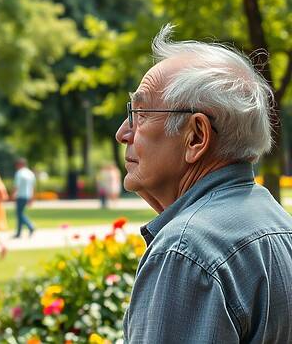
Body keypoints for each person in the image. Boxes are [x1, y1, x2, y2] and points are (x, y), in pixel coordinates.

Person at [118, 25, 292, 342]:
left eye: (140, 113)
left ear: (196, 136)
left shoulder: (185, 251)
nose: (123, 133)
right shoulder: (279, 224)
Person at [12, 158, 36, 238]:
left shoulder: (19, 173)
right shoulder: (30, 173)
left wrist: (13, 194)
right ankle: (19, 232)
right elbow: (32, 187)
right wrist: (32, 198)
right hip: (28, 195)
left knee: (19, 214)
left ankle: (30, 226)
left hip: (20, 195)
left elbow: (17, 185)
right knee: (20, 214)